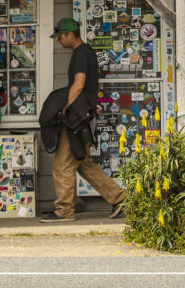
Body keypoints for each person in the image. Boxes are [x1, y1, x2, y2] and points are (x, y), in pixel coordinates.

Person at [41, 17, 126, 222]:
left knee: (62, 165)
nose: (59, 41)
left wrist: (63, 110)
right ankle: (120, 198)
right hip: (83, 116)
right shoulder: (85, 53)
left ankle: (64, 211)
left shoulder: (81, 54)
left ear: (71, 34)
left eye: (60, 36)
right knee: (83, 164)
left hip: (76, 118)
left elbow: (78, 85)